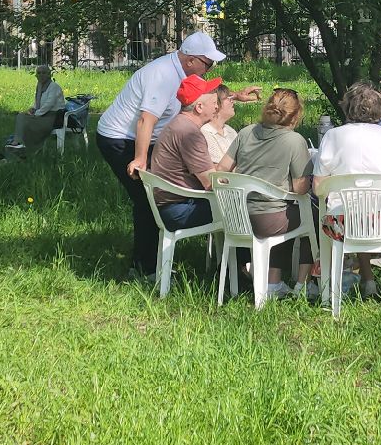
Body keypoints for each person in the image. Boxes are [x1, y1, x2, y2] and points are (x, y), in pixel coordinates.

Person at [96, 32, 261, 277]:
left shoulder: (184, 75)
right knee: (146, 201)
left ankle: (153, 259)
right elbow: (145, 120)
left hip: (148, 136)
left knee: (154, 196)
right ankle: (145, 268)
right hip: (120, 138)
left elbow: (197, 98)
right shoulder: (163, 76)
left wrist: (233, 97)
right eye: (208, 63)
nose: (209, 69)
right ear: (191, 60)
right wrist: (141, 158)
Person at [312, 82, 381, 301]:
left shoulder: (332, 137)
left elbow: (318, 187)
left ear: (347, 108)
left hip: (344, 222)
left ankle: (365, 280)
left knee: (359, 208)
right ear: (378, 110)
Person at [216, 88, 314, 300]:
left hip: (237, 216)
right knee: (312, 216)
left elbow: (220, 171)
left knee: (285, 209)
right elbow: (301, 189)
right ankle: (302, 284)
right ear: (296, 115)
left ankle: (273, 281)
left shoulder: (246, 132)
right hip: (270, 219)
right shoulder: (294, 141)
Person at [146, 74, 226, 238]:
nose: (217, 107)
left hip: (172, 205)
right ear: (199, 107)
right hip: (180, 209)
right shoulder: (189, 133)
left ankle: (229, 262)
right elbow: (211, 183)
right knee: (246, 209)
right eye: (213, 103)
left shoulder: (178, 124)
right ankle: (241, 263)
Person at [13, 65, 68, 154]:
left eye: (44, 73)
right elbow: (38, 102)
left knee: (26, 121)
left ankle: (28, 146)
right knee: (21, 116)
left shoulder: (54, 87)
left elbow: (49, 104)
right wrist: (33, 108)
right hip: (42, 114)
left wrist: (36, 114)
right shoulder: (39, 86)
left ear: (49, 75)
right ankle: (18, 143)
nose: (41, 75)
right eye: (39, 73)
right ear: (36, 75)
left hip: (52, 117)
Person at [202, 86, 238, 165]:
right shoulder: (205, 133)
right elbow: (217, 169)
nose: (232, 101)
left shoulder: (231, 131)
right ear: (216, 103)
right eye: (228, 98)